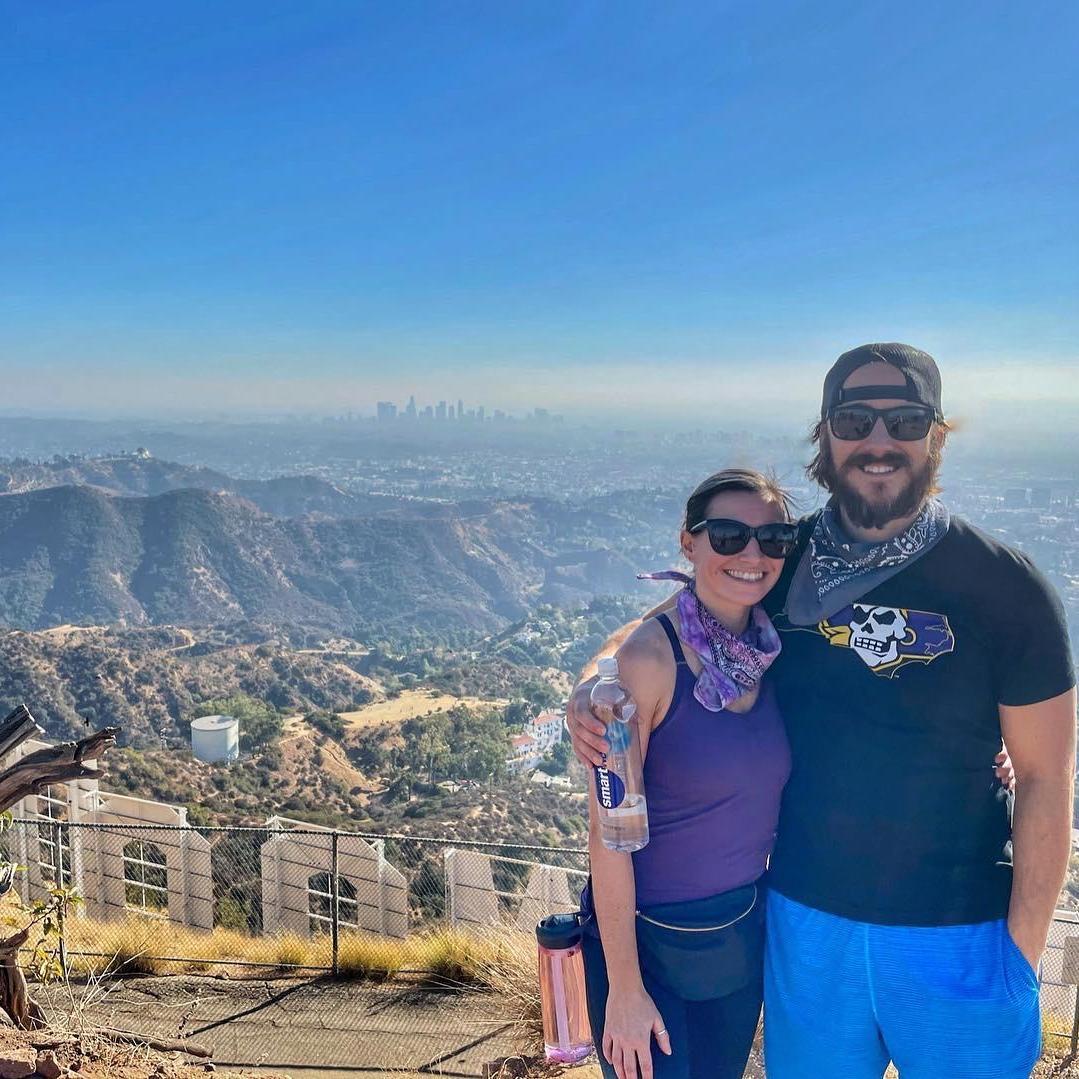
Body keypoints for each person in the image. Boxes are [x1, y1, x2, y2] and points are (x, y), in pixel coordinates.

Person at [568, 343, 1076, 1079]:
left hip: (959, 932)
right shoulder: (778, 555)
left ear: (935, 435)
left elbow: (1044, 777)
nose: (878, 439)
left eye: (904, 419)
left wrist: (1019, 959)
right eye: (853, 417)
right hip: (805, 926)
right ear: (825, 436)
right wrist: (593, 683)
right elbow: (675, 622)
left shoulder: (1005, 586)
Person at [581, 468, 797, 1079]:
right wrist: (623, 990)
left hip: (737, 936)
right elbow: (608, 834)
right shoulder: (649, 662)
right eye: (727, 536)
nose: (752, 555)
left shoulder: (773, 647)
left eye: (773, 539)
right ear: (689, 542)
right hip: (646, 947)